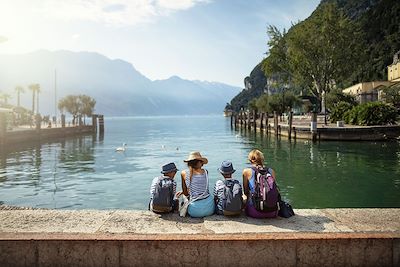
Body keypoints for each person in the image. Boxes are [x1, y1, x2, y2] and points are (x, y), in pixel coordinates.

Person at [242, 149, 279, 218]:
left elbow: (246, 192)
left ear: (250, 160)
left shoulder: (246, 171)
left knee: (244, 196)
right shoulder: (271, 171)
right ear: (262, 159)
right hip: (273, 212)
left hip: (255, 212)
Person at [181, 151, 215, 218]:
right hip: (210, 209)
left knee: (183, 196)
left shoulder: (184, 173)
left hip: (194, 211)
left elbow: (185, 193)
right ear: (200, 162)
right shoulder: (206, 172)